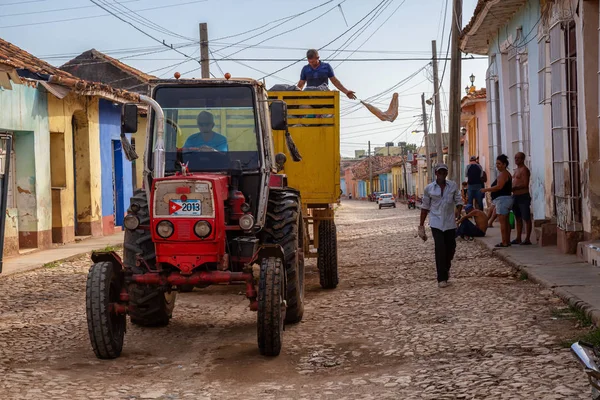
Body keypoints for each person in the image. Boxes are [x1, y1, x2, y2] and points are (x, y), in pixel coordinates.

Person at [418, 163, 463, 288]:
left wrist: (458, 212)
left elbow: (459, 201)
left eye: (444, 172)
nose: (442, 175)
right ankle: (441, 278)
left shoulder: (453, 186)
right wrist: (421, 226)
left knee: (451, 248)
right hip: (436, 222)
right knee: (440, 248)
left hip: (450, 222)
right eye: (440, 172)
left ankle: (446, 268)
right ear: (436, 173)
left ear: (446, 174)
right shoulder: (429, 189)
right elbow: (425, 207)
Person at [481, 154, 513, 247]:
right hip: (505, 199)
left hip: (502, 200)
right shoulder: (506, 174)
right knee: (506, 222)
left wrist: (486, 190)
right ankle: (507, 240)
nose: (497, 165)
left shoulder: (503, 174)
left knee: (503, 222)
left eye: (499, 164)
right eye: (496, 163)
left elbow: (499, 187)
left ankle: (504, 242)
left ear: (504, 164)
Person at [512, 152, 532, 245]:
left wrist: (515, 187)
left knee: (526, 217)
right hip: (515, 196)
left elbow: (525, 184)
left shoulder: (524, 170)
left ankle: (527, 238)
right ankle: (518, 237)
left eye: (518, 158)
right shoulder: (516, 170)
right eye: (515, 158)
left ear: (523, 159)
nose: (516, 159)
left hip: (523, 196)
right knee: (518, 217)